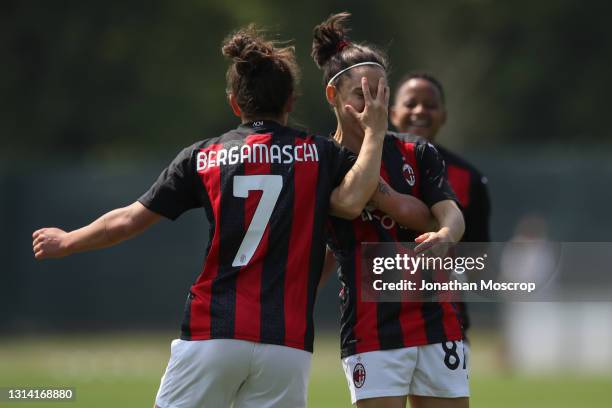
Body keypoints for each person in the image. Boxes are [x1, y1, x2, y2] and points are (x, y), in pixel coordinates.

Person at [32, 25, 390, 408]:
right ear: (291, 101)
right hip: (287, 345)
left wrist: (68, 240)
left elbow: (126, 220)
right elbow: (354, 200)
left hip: (213, 333)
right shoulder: (319, 154)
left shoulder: (202, 157)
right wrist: (376, 131)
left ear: (235, 103)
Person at [312, 13, 469, 408]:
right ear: (333, 96)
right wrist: (376, 135)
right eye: (362, 95)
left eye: (382, 93)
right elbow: (347, 204)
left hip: (437, 319)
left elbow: (446, 213)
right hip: (372, 326)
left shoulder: (419, 152)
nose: (375, 105)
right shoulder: (322, 158)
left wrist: (446, 233)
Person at [390, 72, 491, 340]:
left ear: (444, 116)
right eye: (411, 103)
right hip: (379, 318)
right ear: (392, 112)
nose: (420, 110)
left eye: (430, 105)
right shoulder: (368, 168)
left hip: (445, 320)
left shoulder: (468, 178)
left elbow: (477, 256)